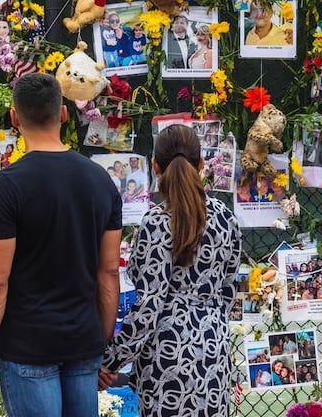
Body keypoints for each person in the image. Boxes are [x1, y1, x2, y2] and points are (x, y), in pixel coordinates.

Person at [0, 73, 122, 416]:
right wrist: (100, 344)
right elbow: (109, 271)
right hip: (83, 343)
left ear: (14, 117)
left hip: (28, 346)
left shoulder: (7, 186)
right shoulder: (101, 181)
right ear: (64, 115)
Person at [99, 124, 242, 416]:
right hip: (212, 349)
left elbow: (150, 305)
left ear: (155, 166)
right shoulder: (226, 219)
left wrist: (110, 361)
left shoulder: (155, 222)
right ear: (202, 165)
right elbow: (228, 290)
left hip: (167, 356)